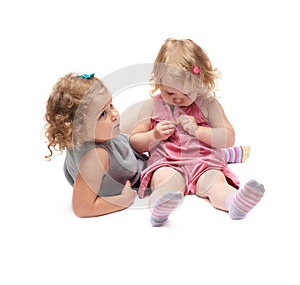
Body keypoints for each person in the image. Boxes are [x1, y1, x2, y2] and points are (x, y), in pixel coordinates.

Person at [130, 38, 265, 226]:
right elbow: (134, 141)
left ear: (200, 82)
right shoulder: (152, 106)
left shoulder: (208, 104)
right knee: (164, 180)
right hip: (168, 162)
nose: (178, 99)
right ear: (159, 83)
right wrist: (154, 135)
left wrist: (198, 130)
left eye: (186, 94)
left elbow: (228, 137)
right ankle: (160, 208)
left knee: (215, 182)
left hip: (204, 163)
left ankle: (233, 202)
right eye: (170, 94)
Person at [44, 73, 147, 218]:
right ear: (78, 128)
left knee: (143, 114)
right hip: (138, 173)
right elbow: (82, 208)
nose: (115, 114)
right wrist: (123, 201)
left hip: (122, 146)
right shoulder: (95, 158)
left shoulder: (84, 137)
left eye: (111, 105)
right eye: (102, 114)